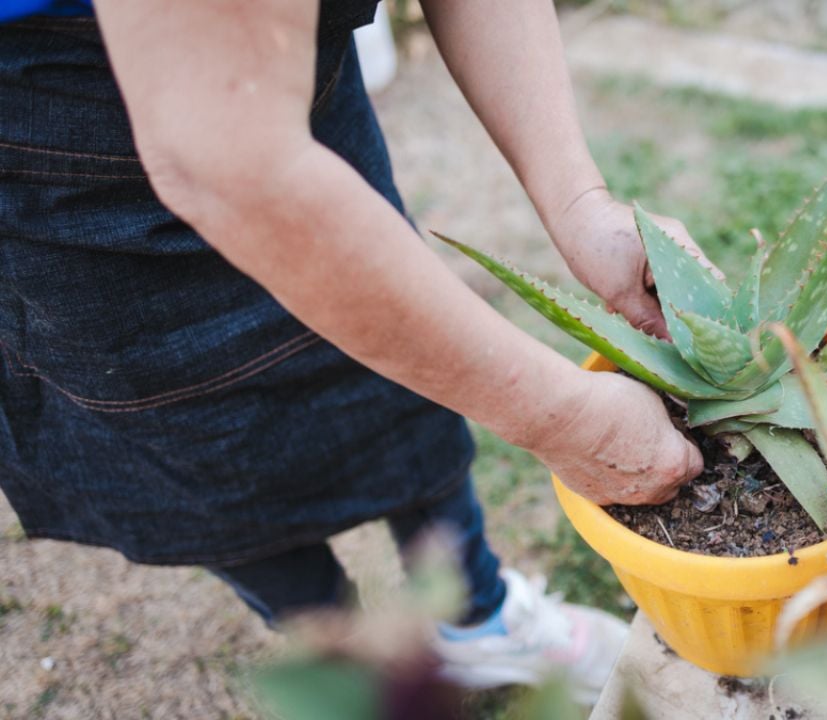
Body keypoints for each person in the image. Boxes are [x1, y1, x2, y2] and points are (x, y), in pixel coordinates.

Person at [0, 0, 706, 702]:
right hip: (66, 159)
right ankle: (344, 659)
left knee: (409, 394)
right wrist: (555, 420)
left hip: (296, 108)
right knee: (207, 469)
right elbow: (229, 168)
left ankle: (481, 618)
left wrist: (580, 202)